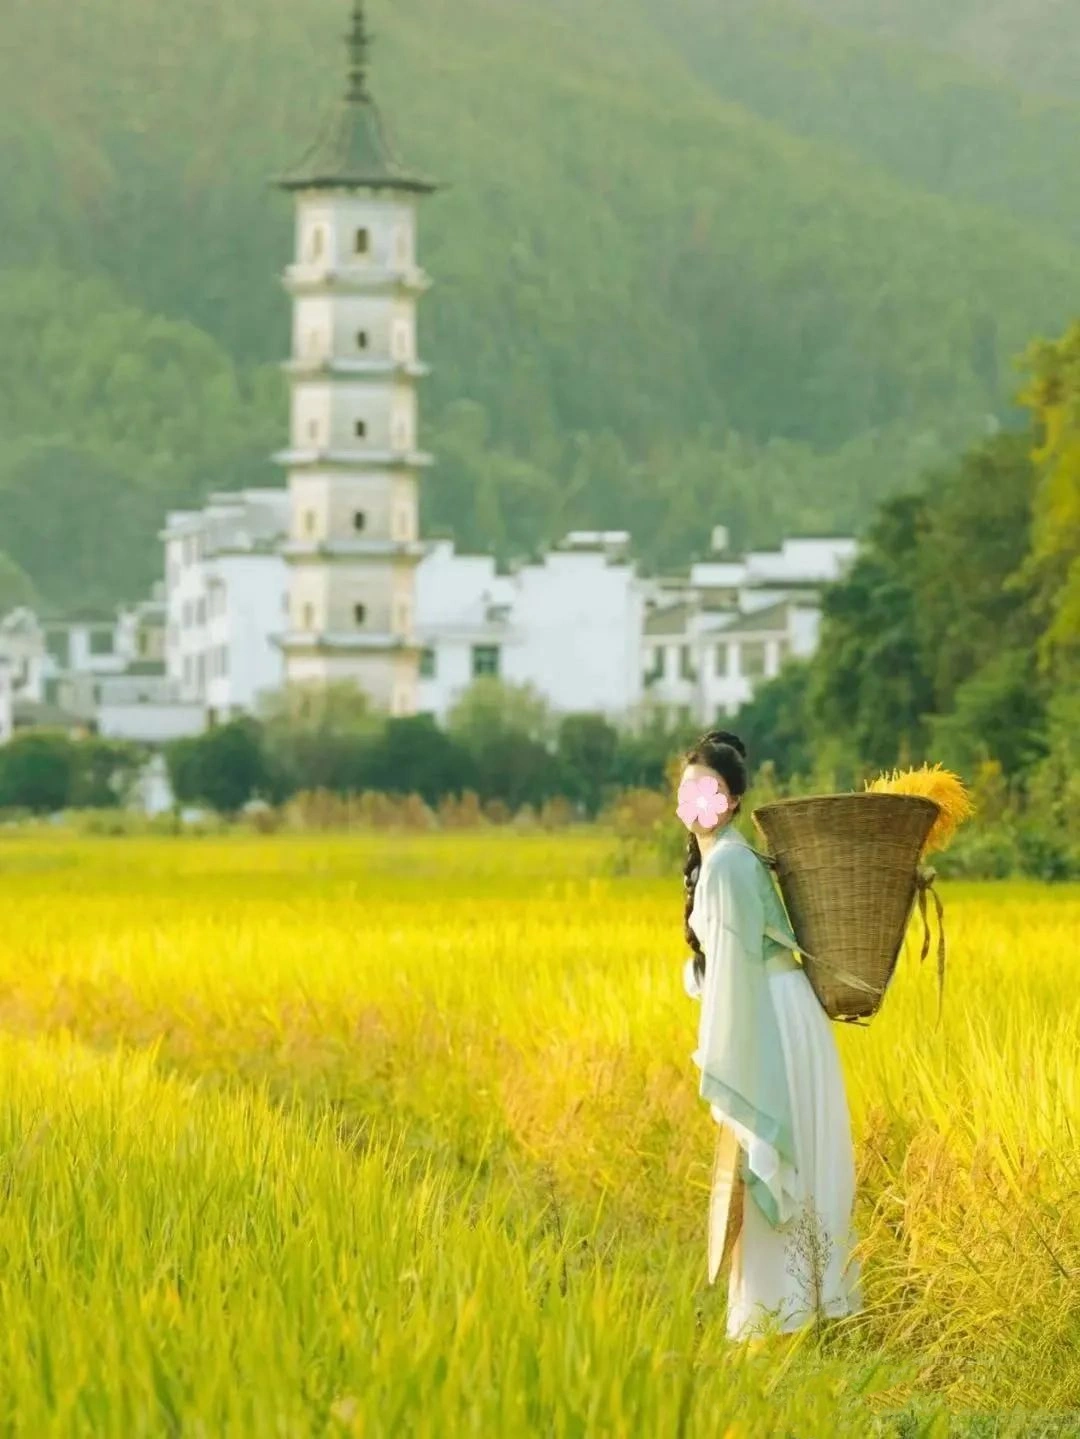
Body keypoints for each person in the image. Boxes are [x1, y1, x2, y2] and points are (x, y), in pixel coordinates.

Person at [677, 729, 863, 1345]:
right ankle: (791, 1313)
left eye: (712, 788)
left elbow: (733, 970)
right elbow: (722, 962)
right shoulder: (721, 860)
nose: (698, 797)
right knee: (779, 1166)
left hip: (771, 1013)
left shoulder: (727, 862)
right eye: (690, 786)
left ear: (730, 800)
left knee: (768, 1158)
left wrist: (717, 1054)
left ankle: (777, 1318)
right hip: (775, 1007)